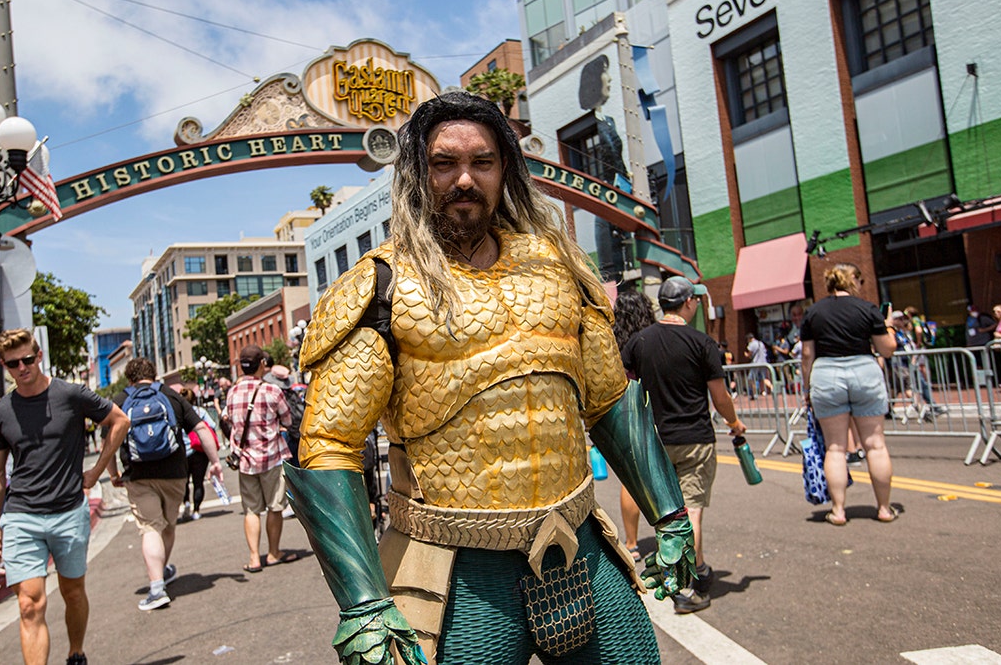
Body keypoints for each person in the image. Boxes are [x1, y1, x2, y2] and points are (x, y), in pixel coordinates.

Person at [285, 91, 695, 663]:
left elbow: (606, 402)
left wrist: (670, 514)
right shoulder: (380, 286)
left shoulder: (559, 264)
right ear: (416, 175)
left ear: (505, 170)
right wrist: (362, 603)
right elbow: (330, 442)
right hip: (457, 571)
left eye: (482, 162)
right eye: (444, 163)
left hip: (579, 546)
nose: (464, 179)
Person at [0, 329, 130, 665]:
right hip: (21, 514)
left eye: (26, 359)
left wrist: (95, 473)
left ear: (38, 356)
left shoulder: (71, 394)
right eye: (12, 364)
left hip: (68, 511)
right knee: (29, 603)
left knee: (73, 592)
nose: (21, 368)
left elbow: (119, 421)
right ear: (5, 366)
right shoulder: (1, 412)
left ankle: (76, 652)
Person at [621, 277, 747, 614]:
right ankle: (691, 583)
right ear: (689, 302)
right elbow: (720, 397)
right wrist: (735, 424)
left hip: (655, 439)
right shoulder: (702, 342)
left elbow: (625, 391)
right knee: (691, 510)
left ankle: (680, 573)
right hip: (694, 438)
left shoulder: (638, 342)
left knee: (668, 514)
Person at [105, 358, 222, 611]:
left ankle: (156, 587)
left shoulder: (121, 400)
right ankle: (163, 569)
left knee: (149, 528)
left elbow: (109, 440)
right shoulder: (171, 395)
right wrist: (215, 462)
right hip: (175, 472)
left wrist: (113, 473)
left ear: (130, 379)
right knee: (168, 526)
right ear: (154, 374)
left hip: (138, 474)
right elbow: (200, 427)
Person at [800, 263, 898, 525]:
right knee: (875, 445)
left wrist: (807, 388)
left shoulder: (813, 312)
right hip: (864, 371)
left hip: (827, 374)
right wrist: (888, 327)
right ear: (852, 280)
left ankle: (839, 511)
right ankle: (885, 509)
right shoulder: (867, 309)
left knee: (835, 448)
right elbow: (886, 349)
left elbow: (807, 355)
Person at [225, 346, 297, 573]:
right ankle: (274, 552)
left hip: (245, 460)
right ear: (262, 364)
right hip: (272, 456)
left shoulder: (232, 392)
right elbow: (289, 419)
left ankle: (254, 557)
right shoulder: (272, 391)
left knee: (251, 510)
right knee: (275, 507)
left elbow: (229, 420)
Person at [610, 288, 658, 562]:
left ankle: (630, 542)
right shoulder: (650, 340)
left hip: (626, 414)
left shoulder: (614, 342)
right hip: (654, 412)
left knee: (631, 479)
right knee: (665, 477)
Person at [578, 54, 633, 284]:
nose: (609, 79)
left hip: (620, 193)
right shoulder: (589, 125)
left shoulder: (608, 120)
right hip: (605, 200)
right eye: (604, 73)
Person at [179, 388, 221, 522]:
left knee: (183, 482)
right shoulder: (199, 412)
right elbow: (213, 426)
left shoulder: (178, 413)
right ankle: (196, 510)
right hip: (199, 451)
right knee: (198, 482)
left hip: (182, 453)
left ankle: (185, 502)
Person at [744, 333, 773, 397]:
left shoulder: (751, 344)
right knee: (763, 378)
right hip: (763, 363)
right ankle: (767, 389)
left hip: (756, 363)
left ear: (749, 339)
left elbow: (749, 354)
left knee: (751, 378)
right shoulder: (761, 343)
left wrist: (746, 355)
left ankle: (754, 393)